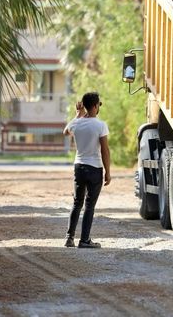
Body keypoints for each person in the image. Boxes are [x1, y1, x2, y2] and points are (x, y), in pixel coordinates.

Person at [63, 92, 111, 248]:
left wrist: (77, 114)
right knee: (89, 205)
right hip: (94, 167)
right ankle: (84, 240)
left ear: (84, 105)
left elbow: (65, 132)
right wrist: (108, 172)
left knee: (77, 202)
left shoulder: (76, 123)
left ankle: (69, 238)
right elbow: (105, 150)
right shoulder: (100, 125)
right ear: (96, 106)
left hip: (79, 166)